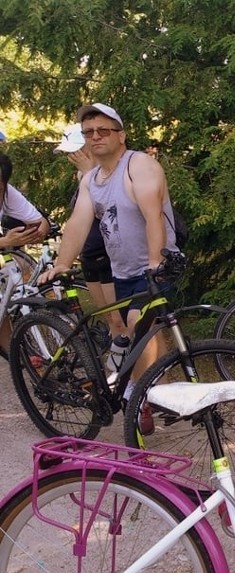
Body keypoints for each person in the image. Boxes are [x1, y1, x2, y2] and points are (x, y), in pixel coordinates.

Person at [40, 103, 179, 432]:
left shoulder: (139, 165)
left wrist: (156, 262)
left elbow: (153, 215)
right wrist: (62, 263)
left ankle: (141, 393)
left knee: (137, 323)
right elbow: (78, 223)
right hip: (122, 270)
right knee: (125, 331)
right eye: (89, 133)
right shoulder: (92, 179)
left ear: (121, 135)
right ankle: (136, 390)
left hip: (157, 266)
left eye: (103, 130)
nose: (95, 137)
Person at [53, 123, 127, 341]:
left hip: (109, 256)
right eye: (69, 153)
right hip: (90, 255)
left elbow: (110, 213)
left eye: (76, 151)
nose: (73, 157)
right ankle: (118, 371)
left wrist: (89, 173)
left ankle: (132, 370)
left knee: (120, 318)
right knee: (109, 319)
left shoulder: (113, 173)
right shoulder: (83, 176)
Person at [0, 153, 50, 355]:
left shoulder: (8, 192)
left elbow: (40, 221)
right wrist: (5, 241)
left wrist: (37, 232)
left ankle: (16, 360)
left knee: (2, 310)